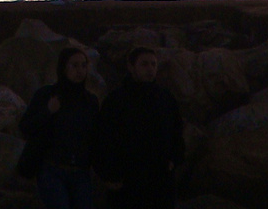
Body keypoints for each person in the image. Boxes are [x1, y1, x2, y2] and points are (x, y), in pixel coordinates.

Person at [95, 47, 186, 208]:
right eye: (144, 64)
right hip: (127, 181)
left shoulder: (165, 98)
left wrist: (174, 158)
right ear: (131, 67)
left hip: (160, 179)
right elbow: (104, 137)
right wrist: (108, 174)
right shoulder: (116, 100)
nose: (150, 69)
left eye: (153, 64)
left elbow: (177, 131)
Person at [19, 47, 101, 209]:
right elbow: (26, 127)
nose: (80, 70)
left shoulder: (90, 101)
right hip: (52, 169)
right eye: (74, 65)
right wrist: (48, 111)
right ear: (64, 67)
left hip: (81, 171)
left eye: (84, 65)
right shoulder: (47, 95)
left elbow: (95, 136)